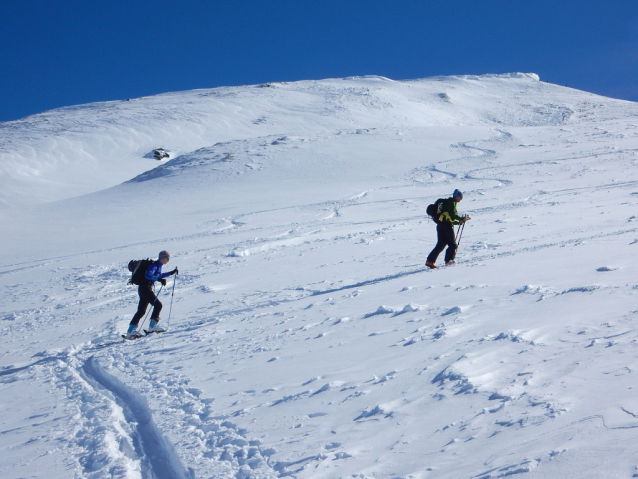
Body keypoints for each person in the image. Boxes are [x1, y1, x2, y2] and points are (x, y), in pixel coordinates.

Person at [126, 250, 178, 338]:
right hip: (145, 288)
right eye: (167, 258)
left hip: (143, 288)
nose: (168, 260)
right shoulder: (154, 265)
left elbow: (159, 275)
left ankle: (130, 331)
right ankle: (152, 327)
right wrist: (159, 279)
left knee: (141, 311)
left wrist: (171, 273)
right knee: (158, 305)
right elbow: (148, 275)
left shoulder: (158, 266)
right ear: (162, 257)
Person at [426, 189, 470, 269]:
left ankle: (430, 261)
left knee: (441, 244)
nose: (461, 199)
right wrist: (461, 218)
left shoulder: (448, 203)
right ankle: (449, 261)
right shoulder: (451, 202)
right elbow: (452, 214)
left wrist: (458, 222)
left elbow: (448, 218)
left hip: (440, 225)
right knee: (452, 244)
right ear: (456, 196)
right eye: (460, 197)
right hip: (446, 226)